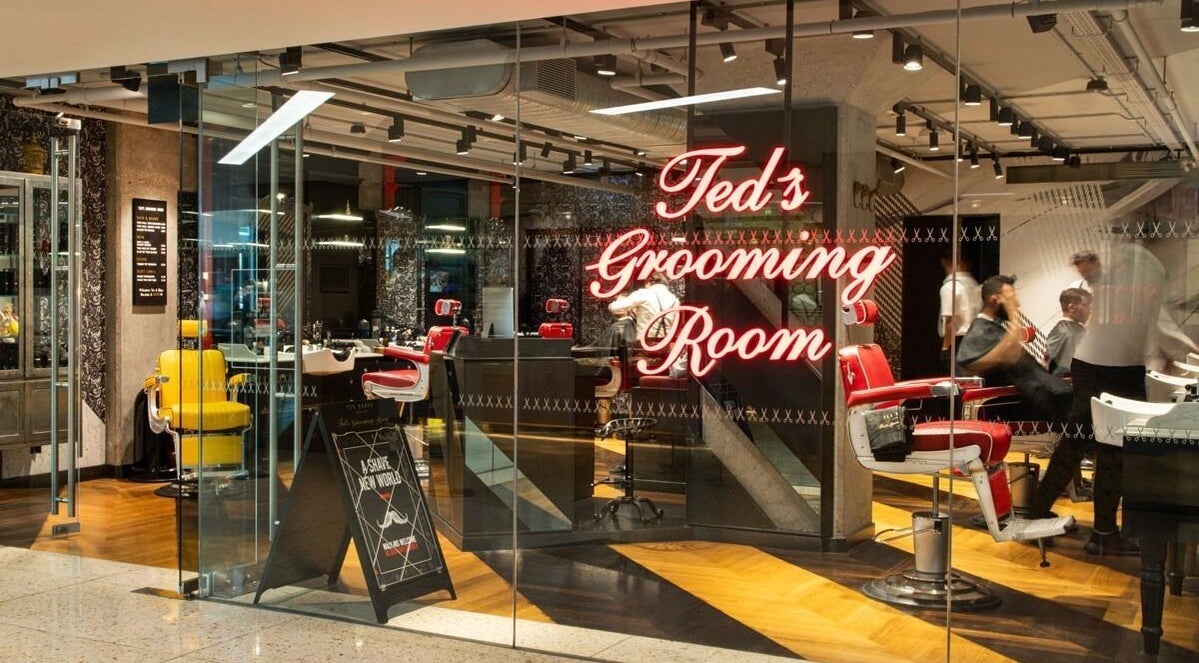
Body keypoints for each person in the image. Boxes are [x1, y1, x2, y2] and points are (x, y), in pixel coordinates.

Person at [1032, 240, 1166, 555]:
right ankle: (1103, 532)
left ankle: (1040, 514)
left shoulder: (1113, 285)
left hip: (1094, 367)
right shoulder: (1140, 284)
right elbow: (1159, 330)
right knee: (1110, 451)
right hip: (1115, 372)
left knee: (1078, 444)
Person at [956, 275, 1073, 425]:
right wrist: (1012, 315)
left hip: (1041, 390)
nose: (1017, 304)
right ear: (995, 300)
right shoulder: (980, 330)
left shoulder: (994, 328)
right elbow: (972, 364)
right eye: (1012, 299)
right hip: (1018, 401)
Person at [607, 272, 680, 342]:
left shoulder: (644, 294)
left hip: (645, 342)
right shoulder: (675, 300)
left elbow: (614, 307)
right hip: (666, 342)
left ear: (648, 283)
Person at [938, 252, 980, 374]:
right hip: (974, 340)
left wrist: (945, 348)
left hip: (957, 343)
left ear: (945, 262)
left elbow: (950, 320)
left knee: (957, 384)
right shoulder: (973, 284)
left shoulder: (950, 286)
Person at [1045, 288, 1091, 376]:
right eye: (1086, 305)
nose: (1090, 309)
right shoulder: (1077, 334)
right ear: (1072, 308)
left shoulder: (1057, 330)